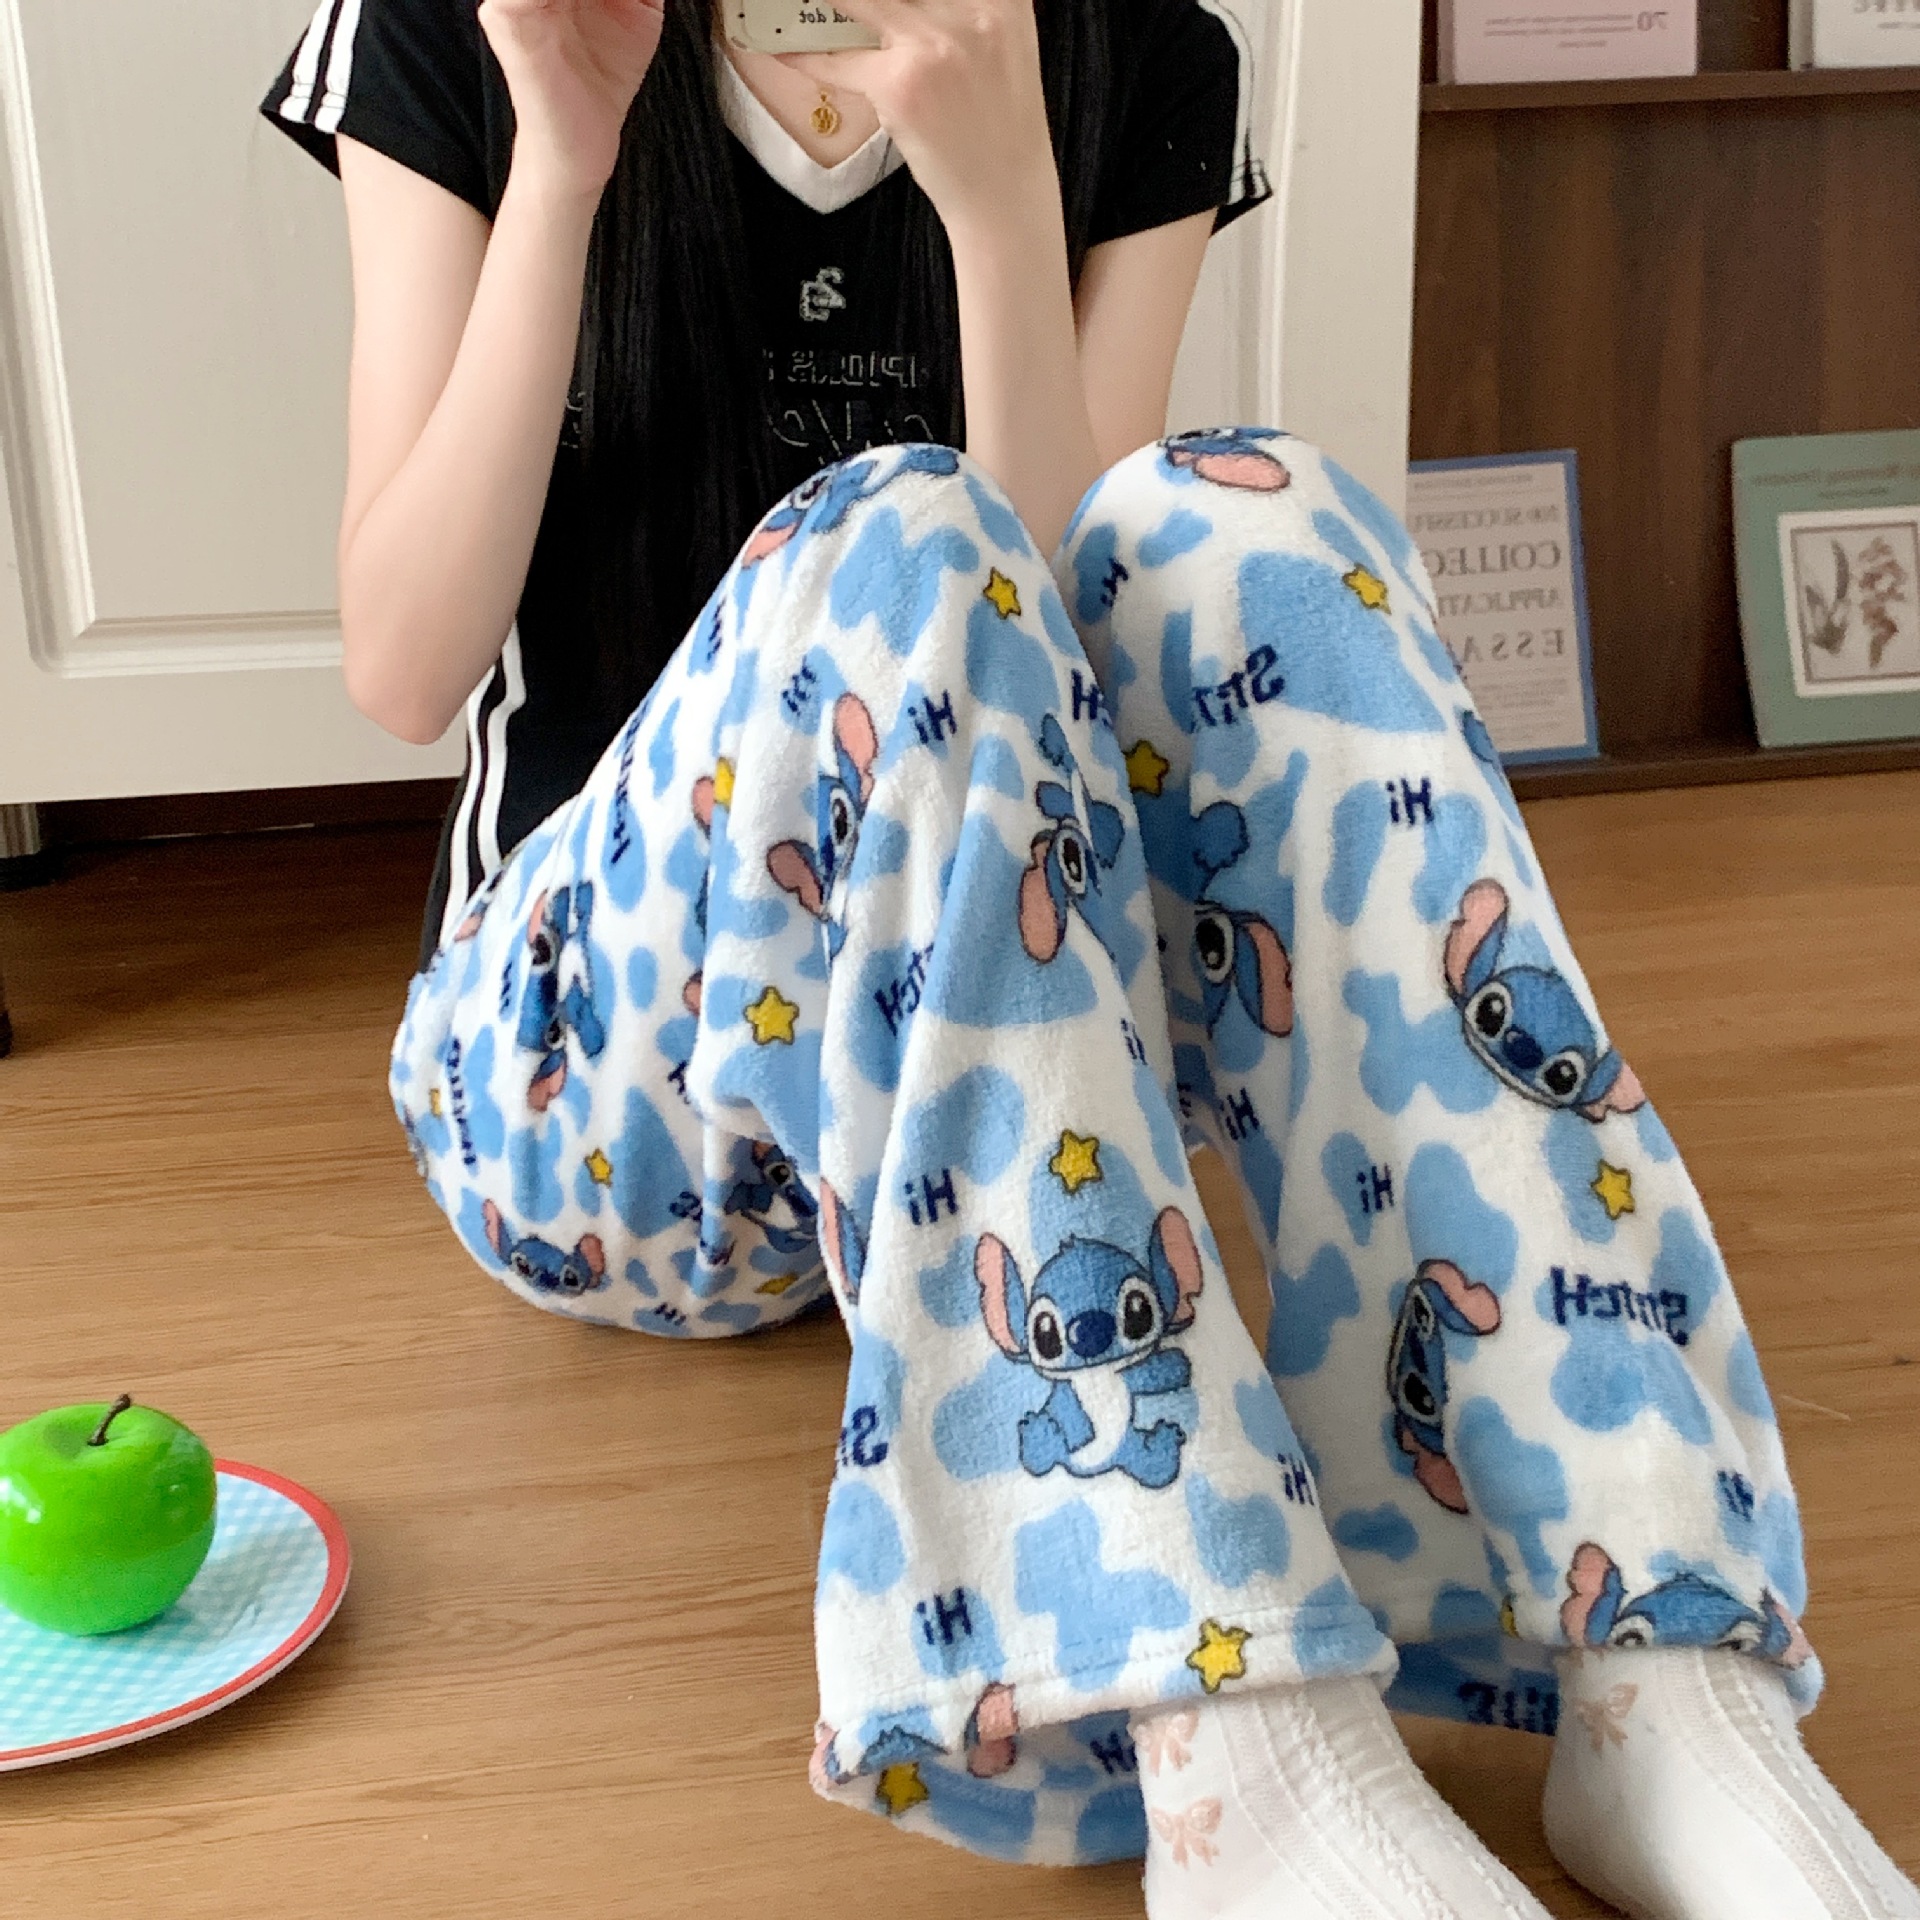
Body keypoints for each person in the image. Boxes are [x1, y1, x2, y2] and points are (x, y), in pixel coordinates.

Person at [262, 3, 1918, 1914]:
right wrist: (561, 159)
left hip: (955, 1107)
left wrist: (997, 204)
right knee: (902, 524)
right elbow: (403, 663)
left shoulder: (1136, 53)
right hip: (586, 1095)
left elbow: (1091, 679)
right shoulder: (473, 24)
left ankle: (1652, 1658)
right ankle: (1229, 1740)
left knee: (1250, 518)